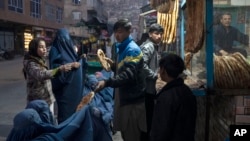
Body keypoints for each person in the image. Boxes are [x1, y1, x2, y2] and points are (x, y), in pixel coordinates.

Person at [94, 19, 147, 141]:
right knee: (125, 133)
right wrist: (113, 65)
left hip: (132, 100)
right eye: (116, 32)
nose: (117, 35)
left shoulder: (132, 50)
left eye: (120, 32)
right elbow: (122, 69)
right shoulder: (122, 48)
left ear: (129, 32)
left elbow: (127, 75)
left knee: (131, 134)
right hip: (124, 97)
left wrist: (106, 82)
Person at [150, 53, 197, 141]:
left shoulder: (165, 98)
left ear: (164, 70)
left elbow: (161, 130)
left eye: (160, 69)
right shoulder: (188, 92)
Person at [22, 38, 72, 115]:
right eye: (41, 47)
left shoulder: (40, 60)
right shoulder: (30, 63)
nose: (44, 49)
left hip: (47, 98)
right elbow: (41, 74)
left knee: (49, 120)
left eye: (45, 47)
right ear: (34, 48)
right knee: (42, 122)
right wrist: (59, 69)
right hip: (38, 101)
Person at [49, 28, 83, 123]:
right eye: (62, 39)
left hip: (73, 91)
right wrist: (68, 67)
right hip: (63, 91)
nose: (64, 41)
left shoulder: (70, 49)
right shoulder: (55, 50)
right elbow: (54, 70)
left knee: (74, 114)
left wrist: (80, 61)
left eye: (66, 39)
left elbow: (75, 60)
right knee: (64, 114)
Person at [139, 23, 164, 140]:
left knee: (148, 117)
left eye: (160, 34)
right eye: (156, 34)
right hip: (146, 89)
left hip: (148, 88)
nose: (159, 36)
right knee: (147, 118)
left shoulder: (153, 46)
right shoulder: (148, 46)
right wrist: (153, 75)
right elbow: (141, 65)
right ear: (150, 34)